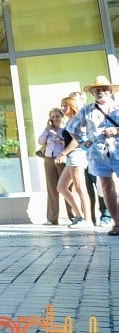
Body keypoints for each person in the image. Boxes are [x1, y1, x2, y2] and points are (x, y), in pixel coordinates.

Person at [64, 77, 119, 235]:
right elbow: (71, 127)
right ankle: (116, 223)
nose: (100, 91)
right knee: (107, 187)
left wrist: (116, 131)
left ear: (110, 91)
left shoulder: (117, 107)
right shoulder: (86, 110)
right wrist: (83, 142)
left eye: (103, 88)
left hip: (117, 149)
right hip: (98, 153)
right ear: (93, 92)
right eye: (97, 89)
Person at [56, 95, 93, 228]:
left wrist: (62, 153)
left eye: (65, 105)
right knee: (61, 187)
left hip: (77, 154)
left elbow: (77, 140)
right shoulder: (69, 121)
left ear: (72, 106)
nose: (62, 108)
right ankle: (78, 215)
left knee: (80, 187)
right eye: (61, 105)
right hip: (72, 156)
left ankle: (88, 220)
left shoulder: (76, 120)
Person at [37, 108, 69, 225]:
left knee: (66, 188)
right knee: (51, 188)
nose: (55, 118)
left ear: (62, 117)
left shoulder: (65, 129)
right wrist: (47, 129)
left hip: (62, 159)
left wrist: (60, 139)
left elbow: (71, 143)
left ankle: (73, 216)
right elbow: (40, 141)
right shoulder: (48, 131)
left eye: (57, 116)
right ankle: (52, 218)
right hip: (49, 159)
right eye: (53, 117)